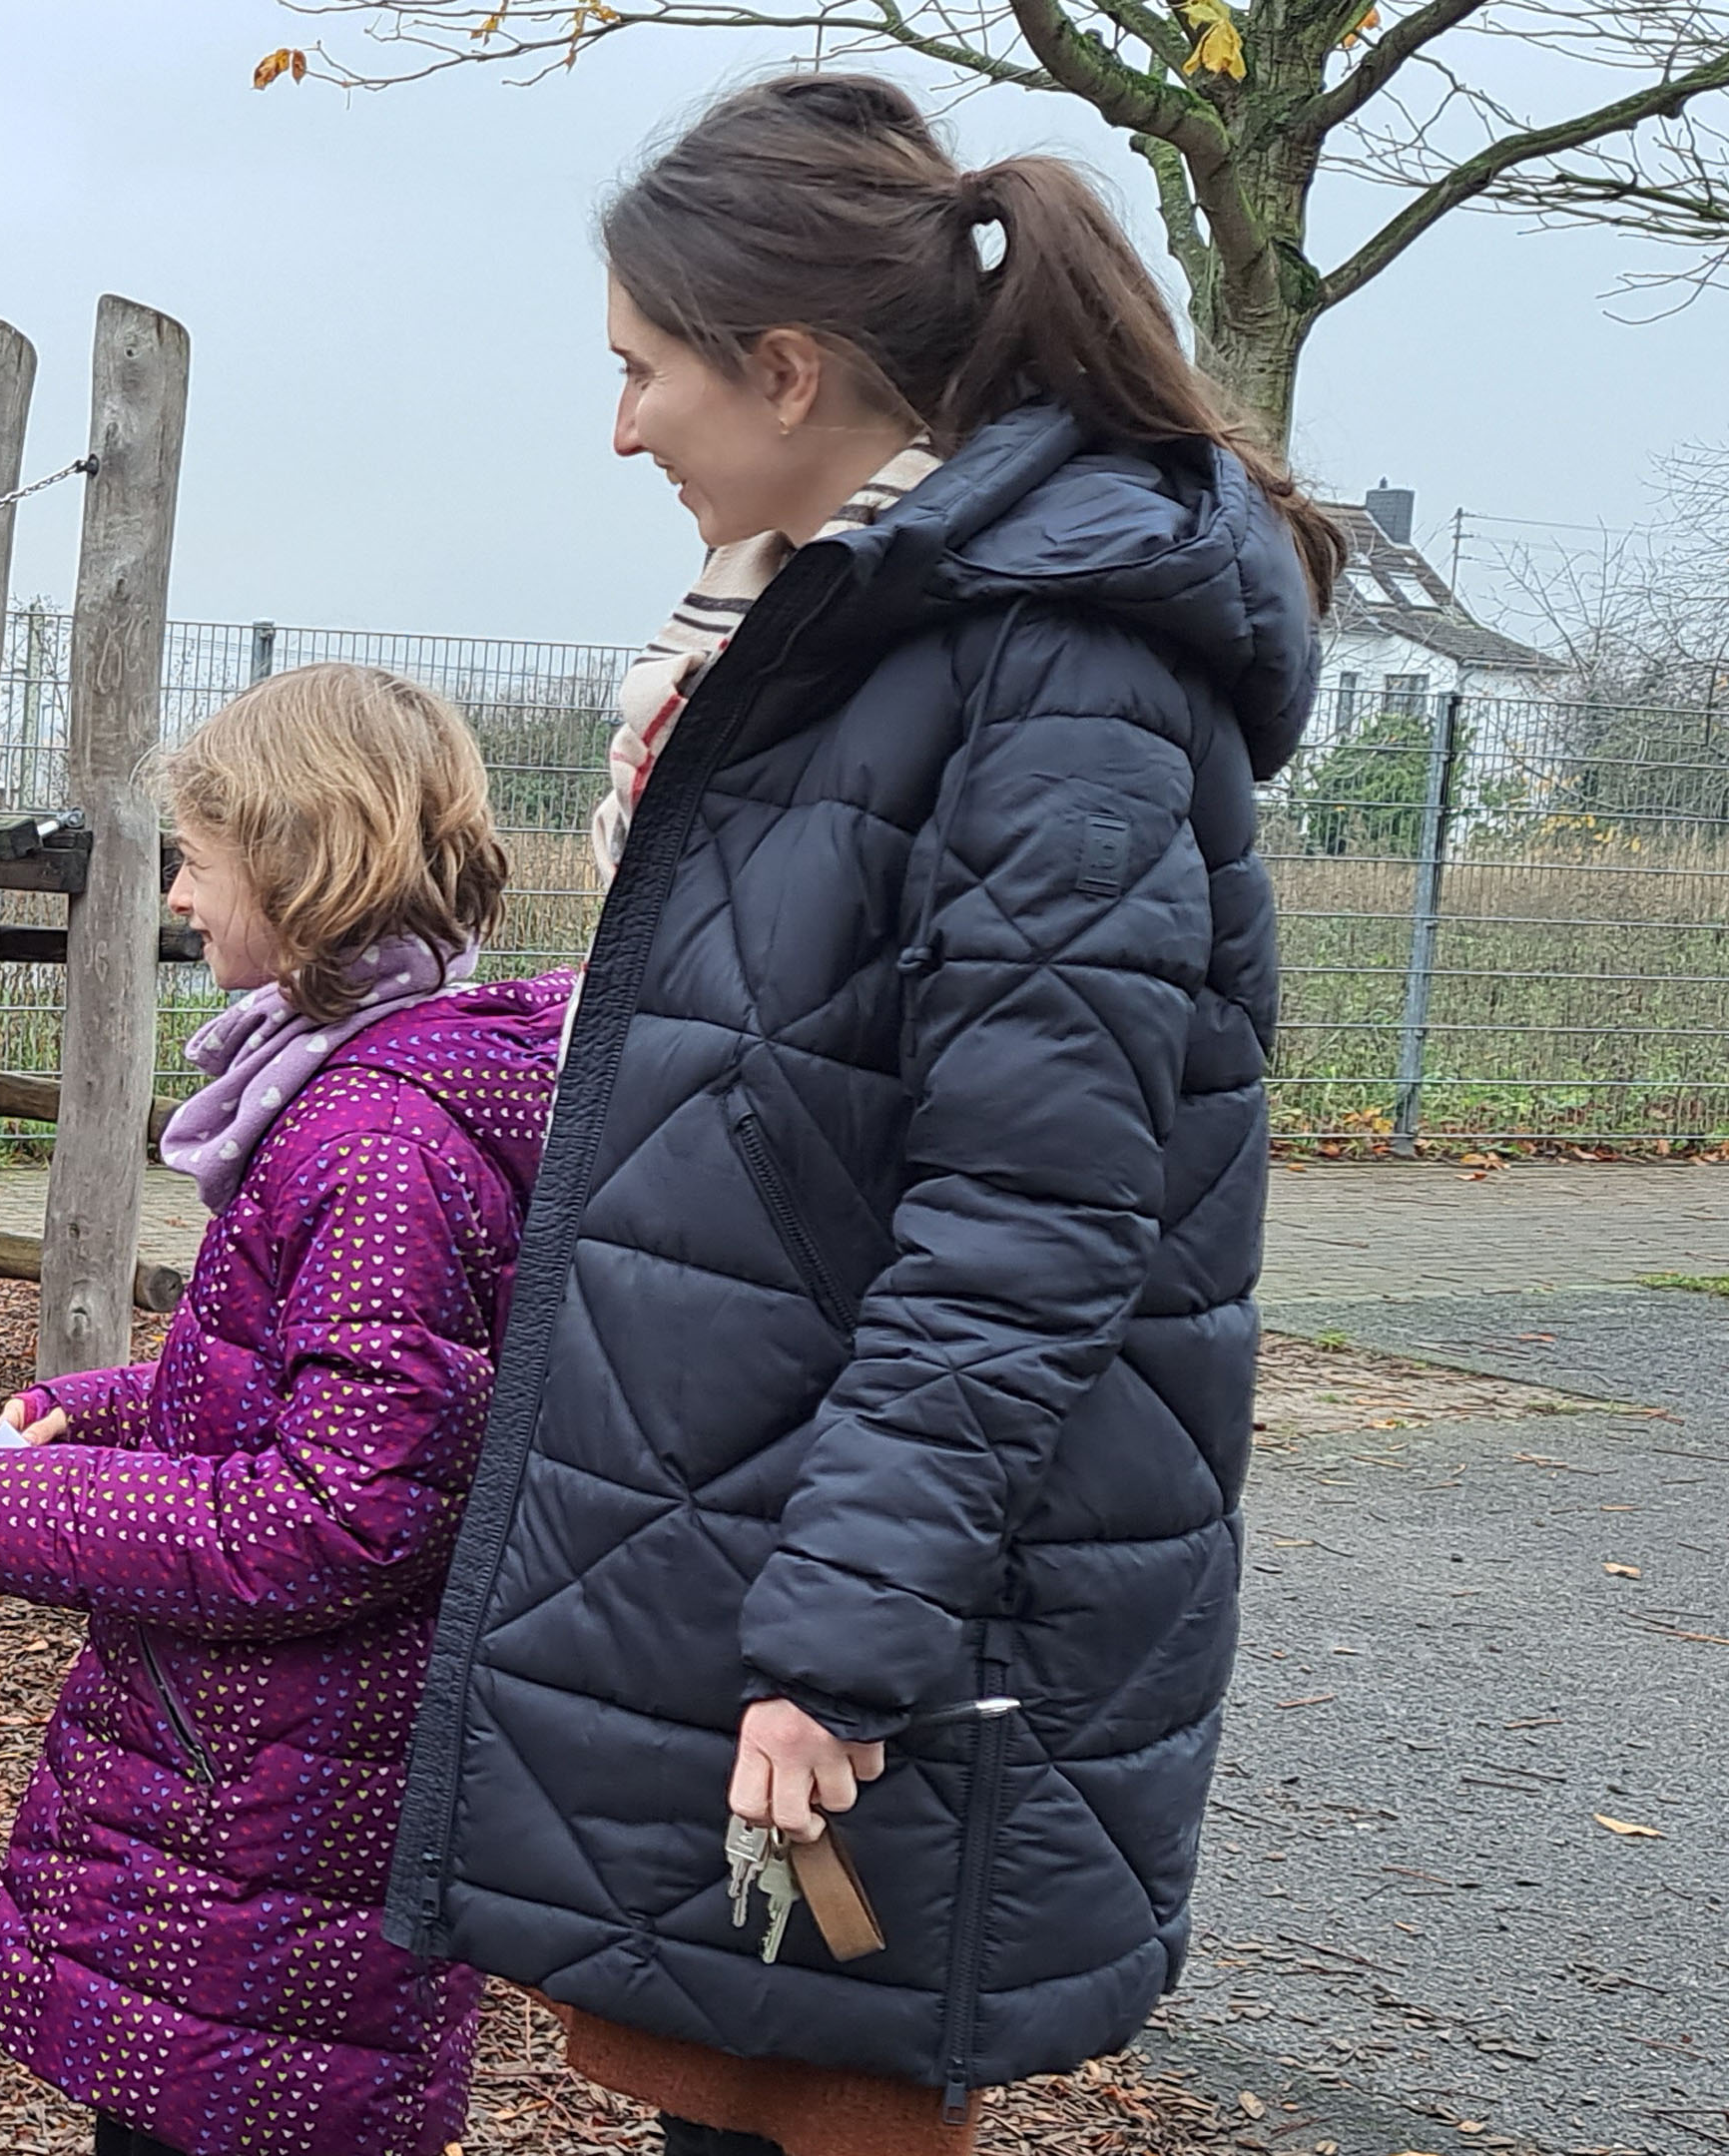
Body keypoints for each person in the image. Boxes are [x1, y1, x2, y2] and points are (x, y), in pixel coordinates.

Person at [381, 75, 1340, 2156]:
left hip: (868, 1600)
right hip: (756, 1534)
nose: (620, 425)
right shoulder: (846, 645)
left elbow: (1031, 1210)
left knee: (808, 2111)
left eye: (640, 371)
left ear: (788, 366)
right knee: (727, 2098)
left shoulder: (1051, 679)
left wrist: (837, 1640)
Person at [0, 664, 565, 2156]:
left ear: (301, 861)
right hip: (266, 1792)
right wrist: (107, 1409)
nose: (175, 892)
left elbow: (343, 1510)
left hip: (281, 1810)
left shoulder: (374, 1135)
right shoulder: (358, 1088)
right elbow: (338, 1387)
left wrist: (33, 1509)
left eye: (198, 858)